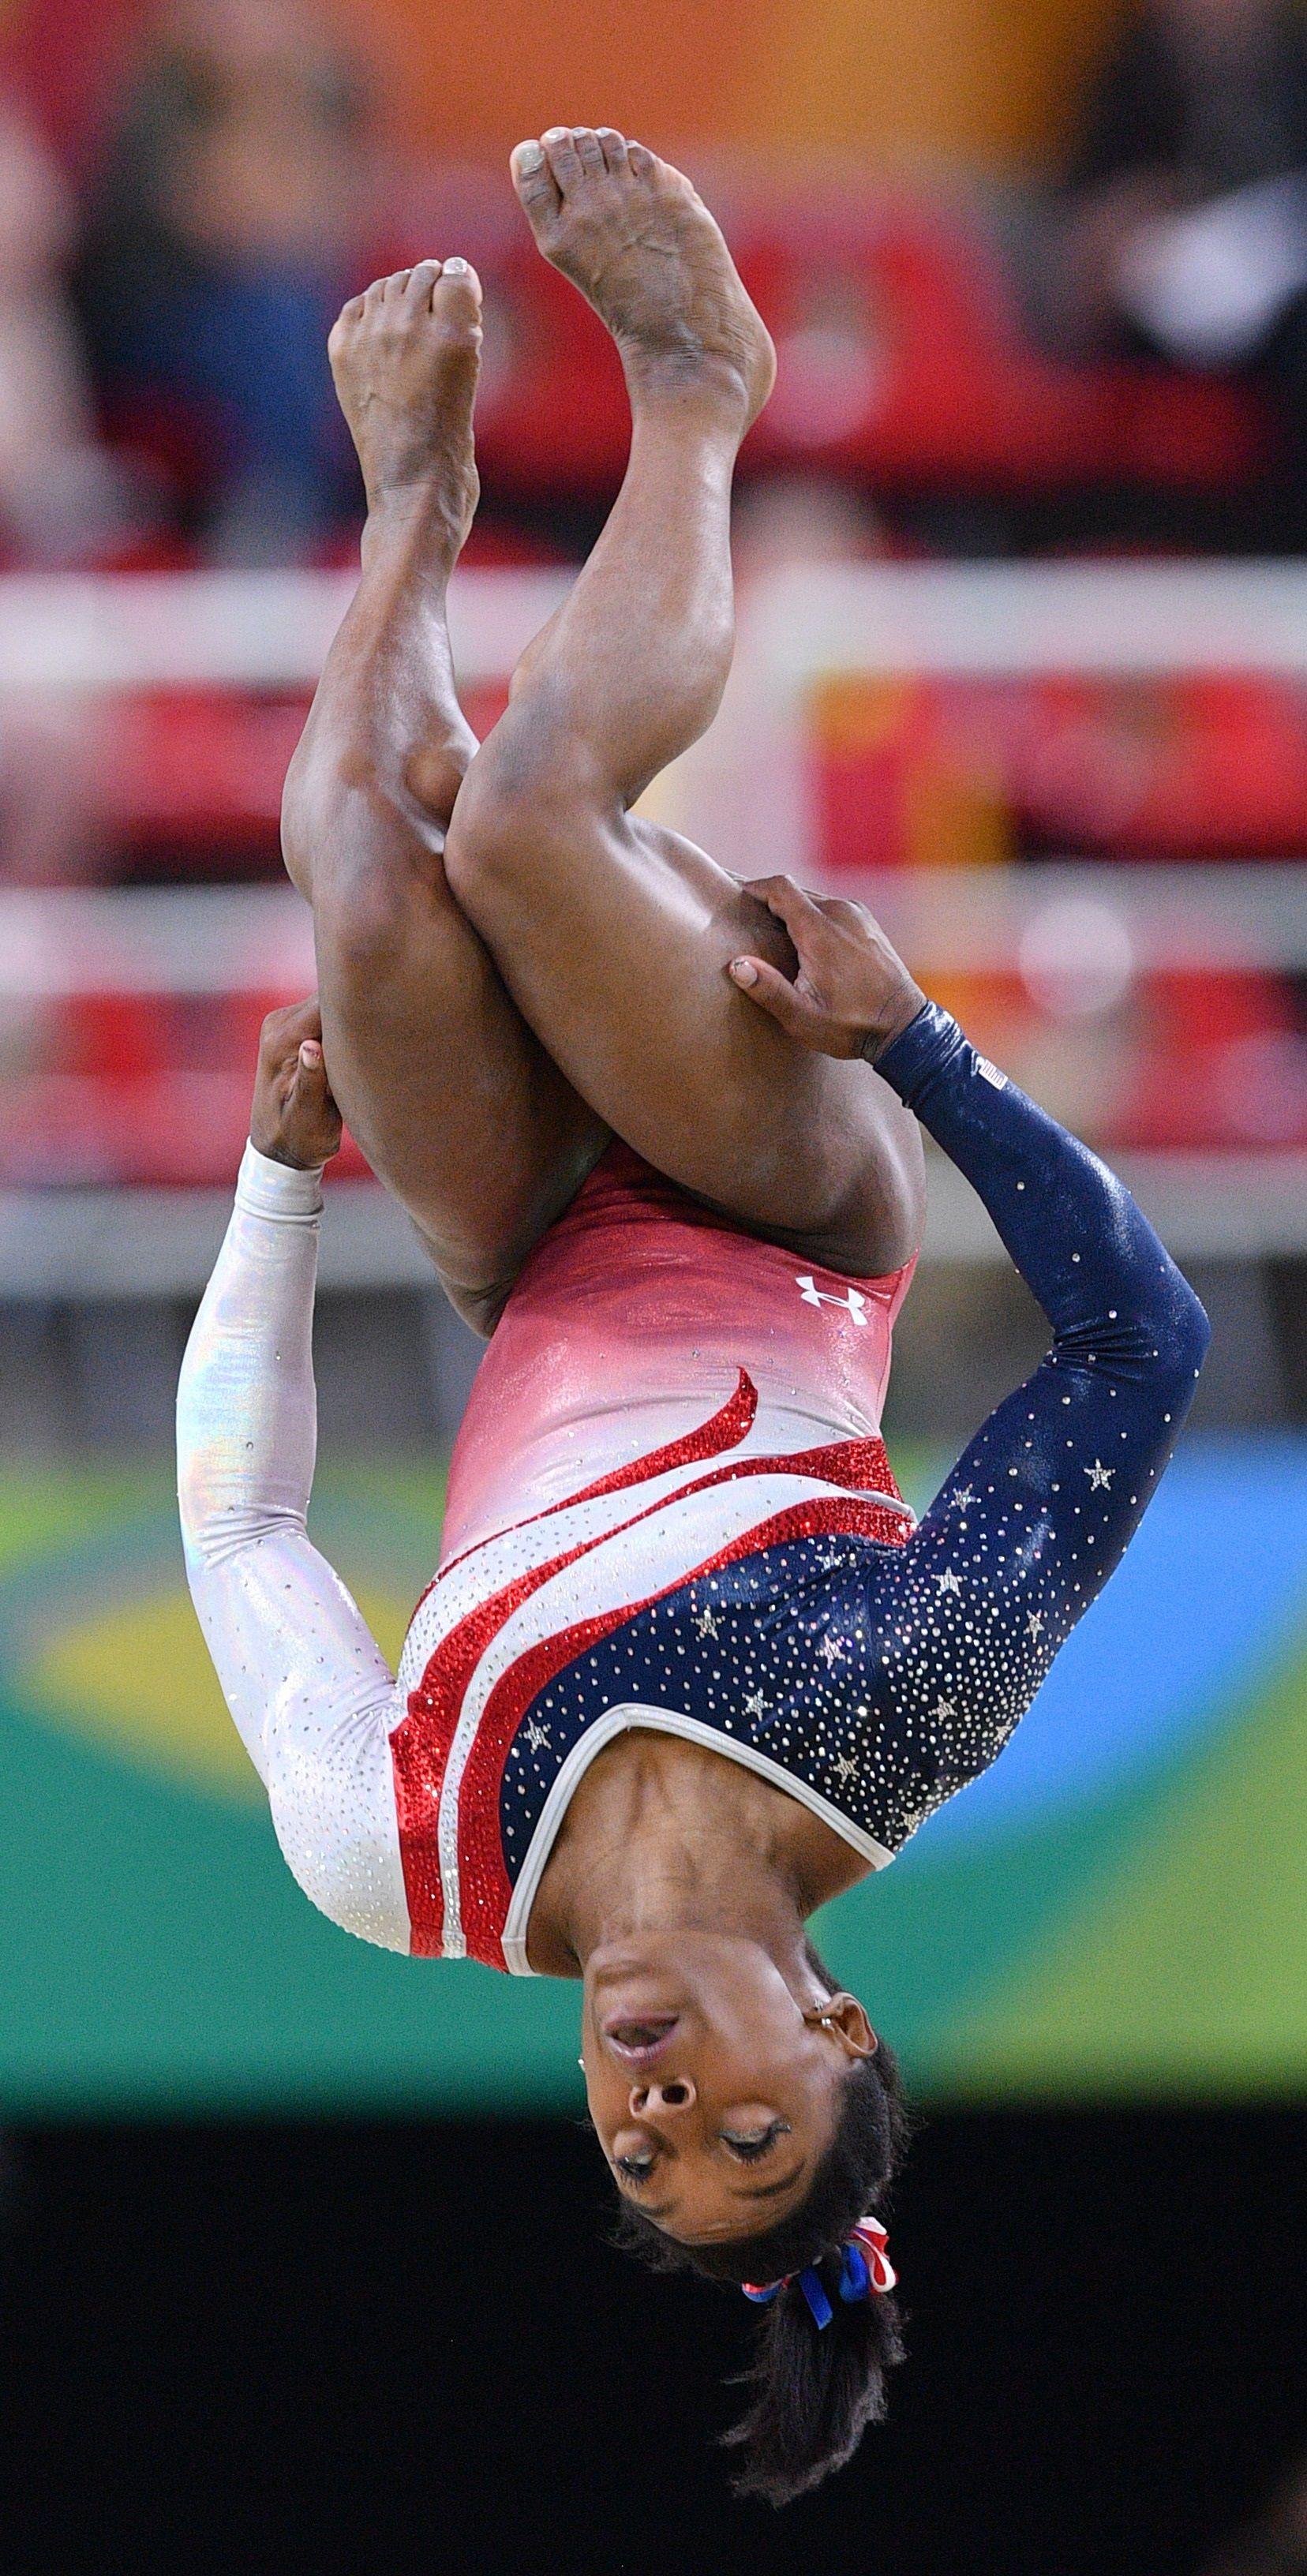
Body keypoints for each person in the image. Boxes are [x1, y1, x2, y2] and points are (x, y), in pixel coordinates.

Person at [177, 129, 1210, 2504]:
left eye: (650, 2159)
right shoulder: (897, 1714)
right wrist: (917, 1050)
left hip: (518, 1246)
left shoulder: (413, 1852)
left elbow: (240, 1538)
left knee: (367, 846)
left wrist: (270, 1178)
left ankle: (413, 508)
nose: (664, 2105)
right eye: (751, 2116)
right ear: (836, 2017)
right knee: (527, 817)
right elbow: (1138, 1349)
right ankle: (703, 386)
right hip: (779, 1203)